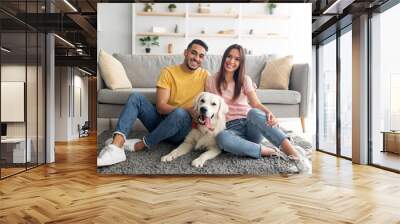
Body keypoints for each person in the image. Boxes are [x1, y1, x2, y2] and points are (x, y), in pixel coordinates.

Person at [98, 39, 210, 167]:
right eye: (193, 53)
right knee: (136, 98)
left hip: (182, 130)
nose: (196, 58)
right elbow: (161, 107)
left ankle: (141, 145)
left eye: (201, 56)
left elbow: (213, 102)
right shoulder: (168, 72)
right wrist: (187, 109)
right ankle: (116, 146)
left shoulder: (206, 76)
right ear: (185, 53)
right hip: (160, 122)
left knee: (180, 113)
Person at [206, 44, 311, 172]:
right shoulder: (211, 80)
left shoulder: (245, 80)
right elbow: (209, 108)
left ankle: (295, 155)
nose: (231, 61)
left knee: (254, 112)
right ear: (224, 57)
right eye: (229, 56)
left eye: (237, 59)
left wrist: (269, 113)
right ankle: (271, 151)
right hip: (228, 129)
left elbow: (255, 104)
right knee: (222, 139)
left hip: (250, 126)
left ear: (241, 63)